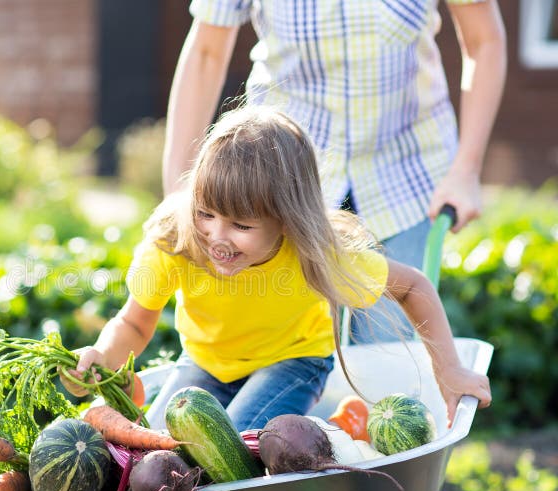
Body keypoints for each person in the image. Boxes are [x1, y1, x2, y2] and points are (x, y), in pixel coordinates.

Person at [63, 106, 491, 431]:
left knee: (224, 451)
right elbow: (135, 325)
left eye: (242, 225)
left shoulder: (314, 250)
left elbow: (412, 286)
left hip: (293, 361)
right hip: (207, 362)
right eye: (207, 213)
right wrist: (102, 357)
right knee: (155, 448)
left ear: (286, 221)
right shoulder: (176, 240)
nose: (217, 237)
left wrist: (448, 369)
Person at [161, 0, 506, 343]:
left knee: (387, 360)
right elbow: (206, 51)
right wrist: (178, 190)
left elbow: (483, 41)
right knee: (282, 352)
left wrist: (466, 170)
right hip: (281, 184)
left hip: (405, 174)